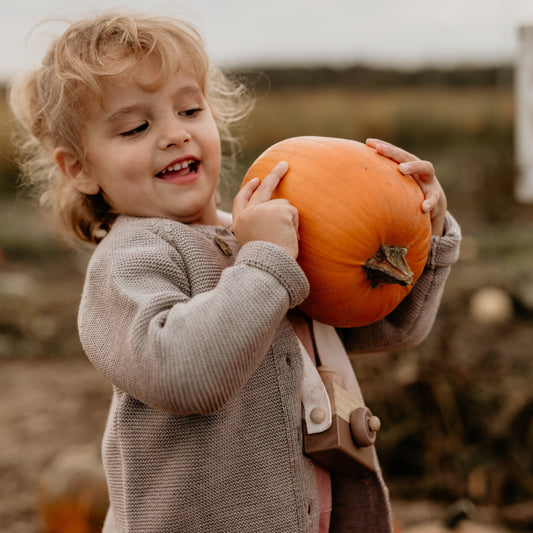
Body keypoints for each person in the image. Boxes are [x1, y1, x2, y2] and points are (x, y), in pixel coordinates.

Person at [9, 12, 461, 533]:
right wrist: (264, 264)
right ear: (79, 169)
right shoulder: (129, 262)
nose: (175, 134)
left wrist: (425, 230)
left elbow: (387, 325)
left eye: (189, 108)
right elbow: (181, 374)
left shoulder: (256, 238)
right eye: (137, 126)